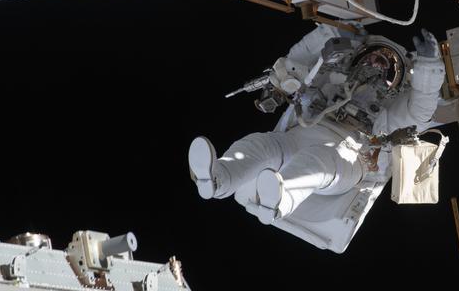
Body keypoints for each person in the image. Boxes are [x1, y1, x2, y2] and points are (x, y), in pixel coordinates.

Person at [188, 23, 445, 241]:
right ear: (358, 59)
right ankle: (218, 179)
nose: (376, 66)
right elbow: (295, 62)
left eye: (386, 66)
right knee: (261, 145)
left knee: (316, 163)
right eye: (373, 57)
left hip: (348, 156)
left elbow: (422, 108)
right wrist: (336, 29)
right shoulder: (329, 75)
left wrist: (429, 68)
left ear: (395, 83)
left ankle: (279, 200)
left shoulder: (391, 111)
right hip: (301, 134)